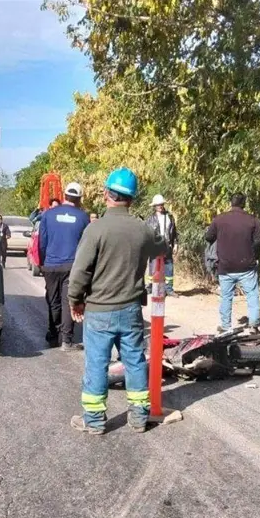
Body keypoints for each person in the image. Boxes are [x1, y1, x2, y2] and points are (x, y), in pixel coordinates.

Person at [67, 167, 168, 434]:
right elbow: (163, 248)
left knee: (97, 363)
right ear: (132, 199)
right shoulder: (143, 230)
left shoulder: (96, 229)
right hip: (131, 309)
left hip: (100, 310)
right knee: (134, 361)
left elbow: (80, 272)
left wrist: (75, 300)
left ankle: (95, 422)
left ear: (105, 194)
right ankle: (138, 418)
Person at [204, 192, 260, 334]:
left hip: (225, 266)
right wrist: (255, 256)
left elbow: (208, 237)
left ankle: (226, 326)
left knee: (226, 296)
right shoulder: (253, 220)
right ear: (244, 204)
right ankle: (254, 326)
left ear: (230, 203)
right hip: (247, 266)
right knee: (252, 295)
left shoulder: (219, 220)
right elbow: (258, 242)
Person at [38, 183, 89, 350]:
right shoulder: (83, 218)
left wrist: (43, 262)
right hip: (72, 266)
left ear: (64, 196)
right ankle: (66, 341)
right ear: (79, 199)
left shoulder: (48, 214)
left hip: (51, 265)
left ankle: (53, 333)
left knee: (53, 301)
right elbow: (85, 245)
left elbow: (42, 242)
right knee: (69, 301)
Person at [144, 194, 178, 296]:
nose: (160, 206)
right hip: (155, 246)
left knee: (169, 266)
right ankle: (151, 286)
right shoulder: (150, 219)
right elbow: (147, 234)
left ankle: (169, 288)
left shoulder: (170, 217)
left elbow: (174, 232)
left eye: (161, 204)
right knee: (153, 266)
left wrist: (175, 244)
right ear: (154, 206)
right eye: (157, 204)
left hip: (167, 245)